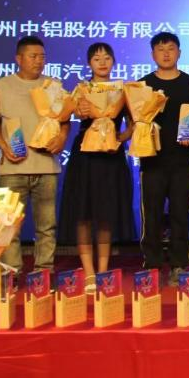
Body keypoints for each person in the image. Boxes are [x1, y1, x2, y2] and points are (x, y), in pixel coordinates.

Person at [59, 42, 135, 289]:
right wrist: (80, 109)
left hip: (111, 155)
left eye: (107, 58)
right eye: (96, 58)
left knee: (106, 213)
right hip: (86, 155)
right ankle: (89, 271)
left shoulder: (123, 89)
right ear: (89, 63)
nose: (102, 62)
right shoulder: (81, 89)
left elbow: (134, 123)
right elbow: (68, 115)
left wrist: (121, 138)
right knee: (83, 213)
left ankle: (103, 270)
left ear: (113, 61)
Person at [0, 36, 67, 274]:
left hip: (46, 167)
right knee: (9, 225)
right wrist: (4, 146)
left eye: (42, 56)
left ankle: (44, 272)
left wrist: (62, 137)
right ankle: (11, 272)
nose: (38, 61)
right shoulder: (1, 85)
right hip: (12, 168)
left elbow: (64, 119)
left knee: (47, 226)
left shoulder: (53, 85)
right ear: (19, 58)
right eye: (33, 56)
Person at [137, 32, 189, 286]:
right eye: (160, 49)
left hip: (183, 160)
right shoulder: (142, 85)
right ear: (153, 54)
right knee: (151, 216)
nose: (166, 54)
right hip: (152, 161)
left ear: (179, 52)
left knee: (180, 215)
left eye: (171, 48)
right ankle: (151, 266)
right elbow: (134, 120)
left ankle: (179, 265)